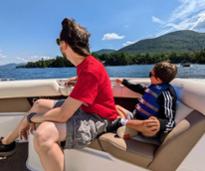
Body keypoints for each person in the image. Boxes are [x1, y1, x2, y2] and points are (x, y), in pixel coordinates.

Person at [0, 18, 119, 171]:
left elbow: (63, 115)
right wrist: (77, 81)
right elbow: (91, 82)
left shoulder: (90, 70)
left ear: (64, 45)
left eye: (59, 42)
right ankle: (7, 143)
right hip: (87, 108)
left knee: (43, 135)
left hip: (99, 118)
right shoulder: (86, 64)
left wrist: (32, 119)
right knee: (39, 104)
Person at [109, 61, 177, 140]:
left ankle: (123, 123)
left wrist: (159, 124)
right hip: (135, 118)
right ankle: (125, 123)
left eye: (151, 74)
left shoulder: (167, 94)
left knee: (151, 125)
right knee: (115, 107)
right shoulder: (153, 86)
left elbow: (170, 121)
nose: (149, 76)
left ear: (158, 79)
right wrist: (124, 82)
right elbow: (139, 88)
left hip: (144, 125)